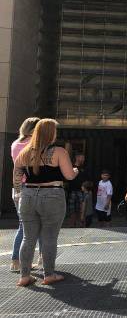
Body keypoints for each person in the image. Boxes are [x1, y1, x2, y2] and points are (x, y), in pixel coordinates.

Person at [13, 118, 79, 286]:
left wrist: (20, 193)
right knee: (49, 236)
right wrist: (76, 170)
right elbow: (69, 176)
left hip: (27, 195)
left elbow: (16, 174)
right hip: (52, 195)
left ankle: (25, 276)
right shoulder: (59, 151)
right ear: (52, 133)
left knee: (28, 238)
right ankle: (49, 275)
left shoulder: (26, 151)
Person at [10, 117, 41, 273]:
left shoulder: (15, 144)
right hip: (32, 187)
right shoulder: (34, 146)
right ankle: (43, 259)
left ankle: (15, 260)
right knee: (41, 223)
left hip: (17, 186)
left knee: (23, 225)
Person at [66, 153, 86, 227]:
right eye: (82, 157)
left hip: (82, 192)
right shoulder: (70, 167)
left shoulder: (84, 168)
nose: (83, 159)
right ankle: (72, 226)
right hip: (72, 191)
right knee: (72, 210)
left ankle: (81, 226)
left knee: (82, 210)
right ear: (77, 157)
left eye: (84, 158)